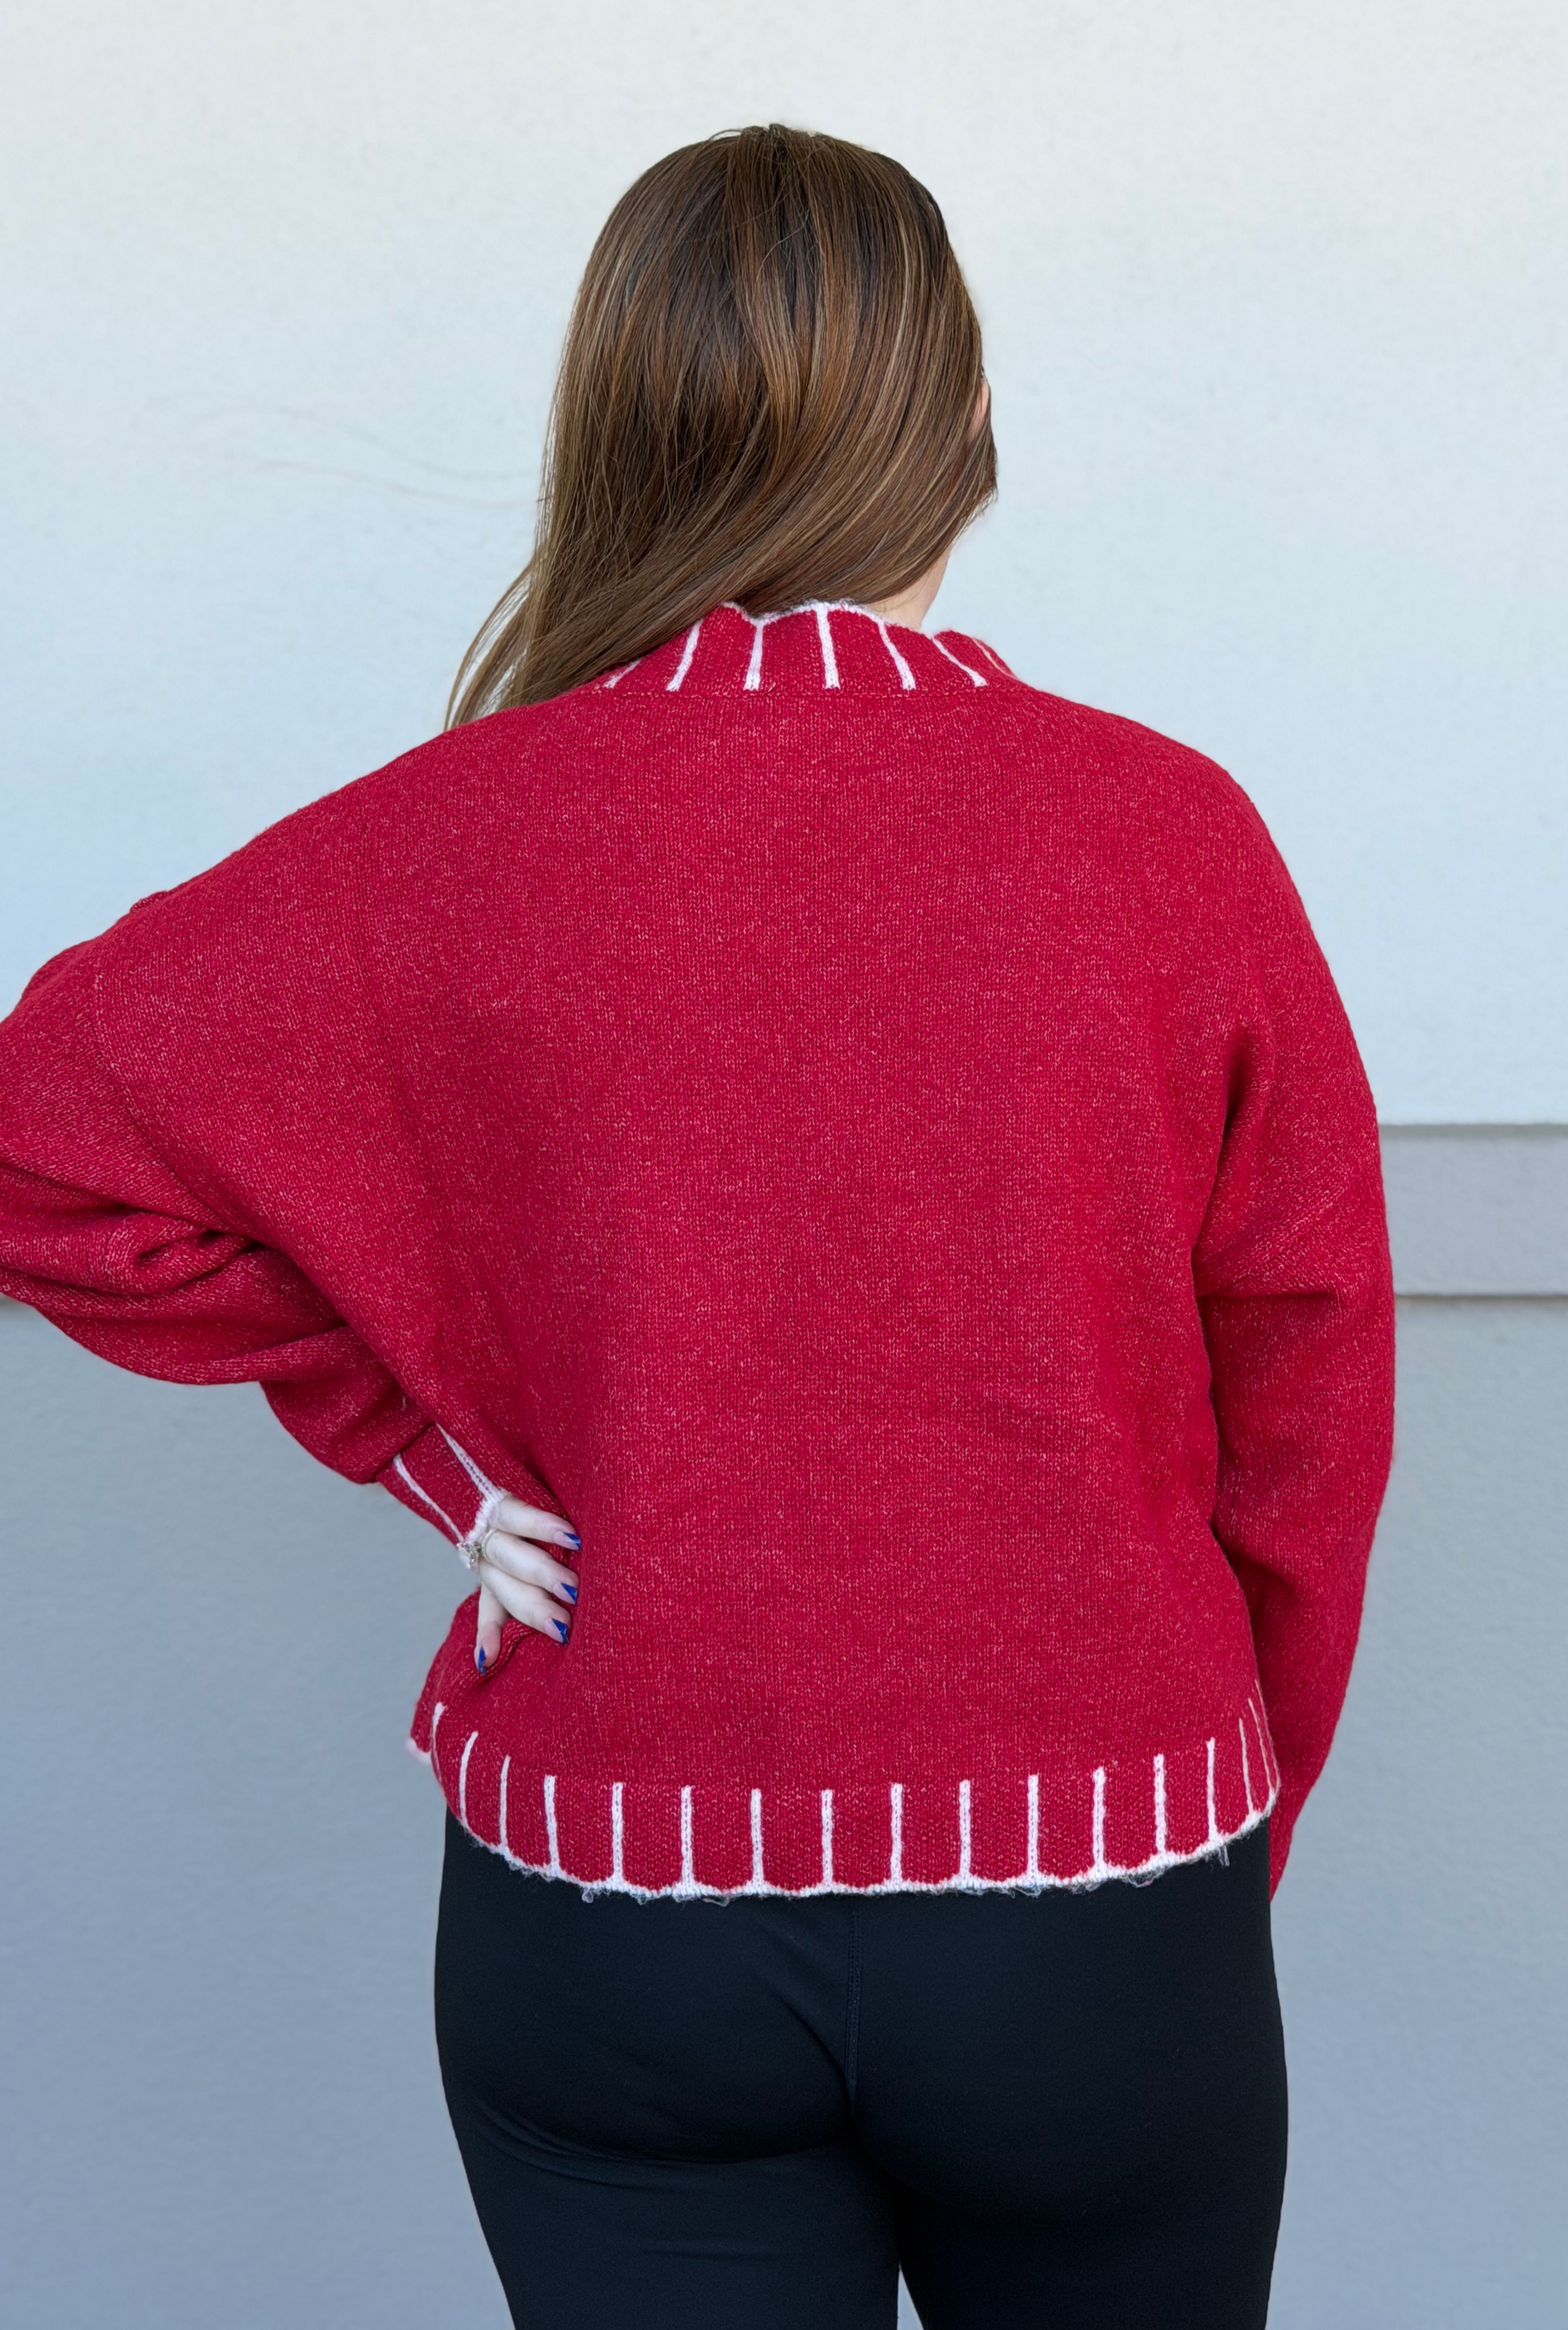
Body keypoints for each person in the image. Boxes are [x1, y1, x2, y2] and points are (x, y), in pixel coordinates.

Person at [0, 123, 1394, 2330]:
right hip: (1101, 1898)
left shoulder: (457, 836)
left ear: (616, 444)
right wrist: (1225, 1829)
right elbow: (1311, 1403)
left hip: (615, 1902)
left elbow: (41, 1126)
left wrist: (436, 1458)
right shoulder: (1163, 838)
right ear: (965, 437)